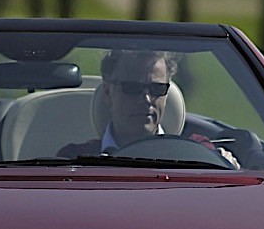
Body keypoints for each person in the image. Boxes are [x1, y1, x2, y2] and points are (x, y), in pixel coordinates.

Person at [58, 50, 238, 164]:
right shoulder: (73, 160)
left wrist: (225, 166)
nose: (145, 99)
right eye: (132, 88)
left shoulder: (199, 154)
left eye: (156, 89)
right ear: (108, 93)